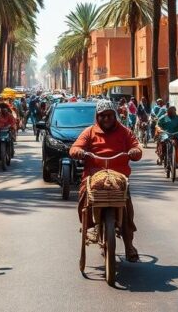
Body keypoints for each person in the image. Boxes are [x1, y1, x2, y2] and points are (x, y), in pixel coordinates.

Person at [69, 100, 143, 262]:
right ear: (97, 116)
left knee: (127, 205)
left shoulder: (124, 132)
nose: (107, 119)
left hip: (119, 178)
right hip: (94, 175)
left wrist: (134, 151)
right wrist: (79, 152)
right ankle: (91, 226)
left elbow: (136, 147)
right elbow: (75, 147)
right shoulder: (89, 132)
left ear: (114, 115)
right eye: (103, 116)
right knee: (84, 196)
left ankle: (129, 244)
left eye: (109, 115)